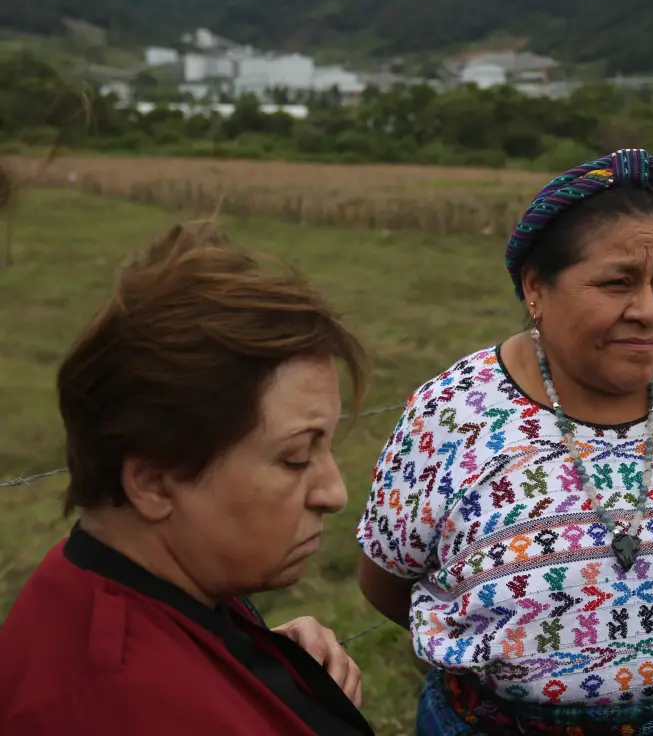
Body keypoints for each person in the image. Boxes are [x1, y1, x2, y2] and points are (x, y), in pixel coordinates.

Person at [356, 149, 653, 736]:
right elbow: (385, 579)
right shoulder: (453, 414)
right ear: (536, 287)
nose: (649, 311)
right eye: (617, 283)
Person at [0, 221, 375, 736]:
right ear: (154, 481)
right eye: (294, 458)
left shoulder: (121, 580)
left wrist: (267, 667)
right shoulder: (114, 707)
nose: (335, 493)